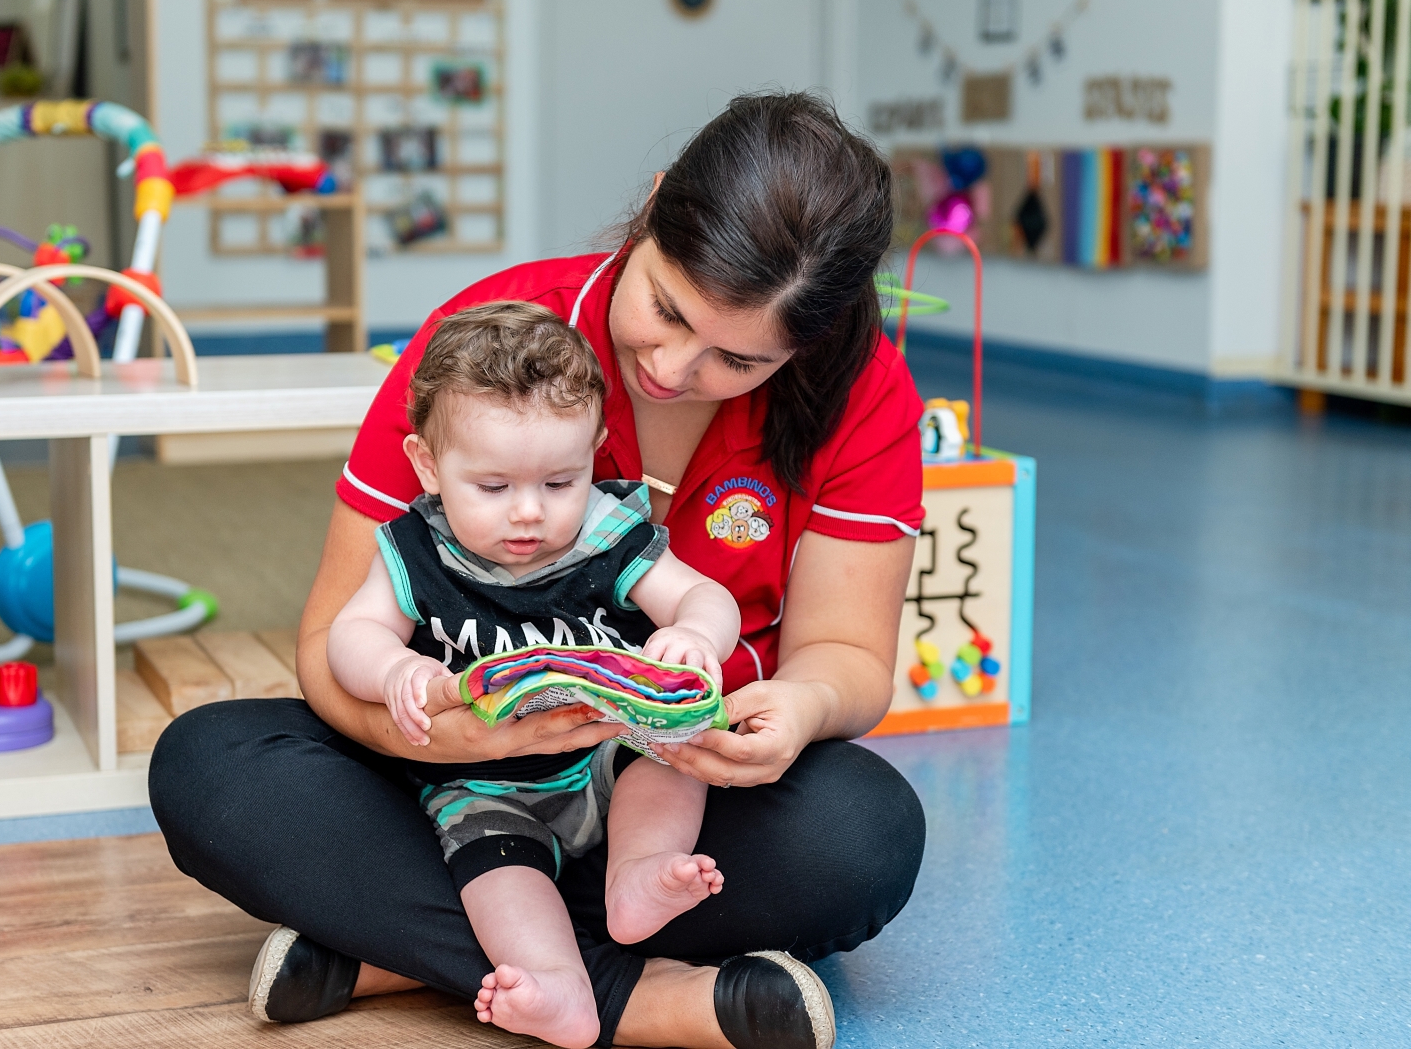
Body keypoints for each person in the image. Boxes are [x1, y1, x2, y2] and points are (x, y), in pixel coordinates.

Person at [150, 90, 927, 1049]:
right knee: (210, 767)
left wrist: (794, 713)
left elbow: (847, 654)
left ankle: (415, 956)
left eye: (739, 359)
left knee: (862, 836)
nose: (676, 369)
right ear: (649, 210)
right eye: (666, 310)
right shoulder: (494, 345)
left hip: (666, 787)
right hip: (456, 785)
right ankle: (639, 1001)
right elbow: (329, 650)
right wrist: (456, 739)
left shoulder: (864, 393)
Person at [328, 300, 739, 1047]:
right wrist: (392, 667)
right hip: (488, 784)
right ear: (427, 465)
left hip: (607, 754)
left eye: (559, 482)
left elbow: (703, 594)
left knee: (674, 753)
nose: (529, 515)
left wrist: (692, 634)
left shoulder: (605, 532)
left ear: (595, 454)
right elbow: (350, 633)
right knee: (494, 871)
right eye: (492, 488)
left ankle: (638, 877)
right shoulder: (415, 546)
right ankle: (559, 989)